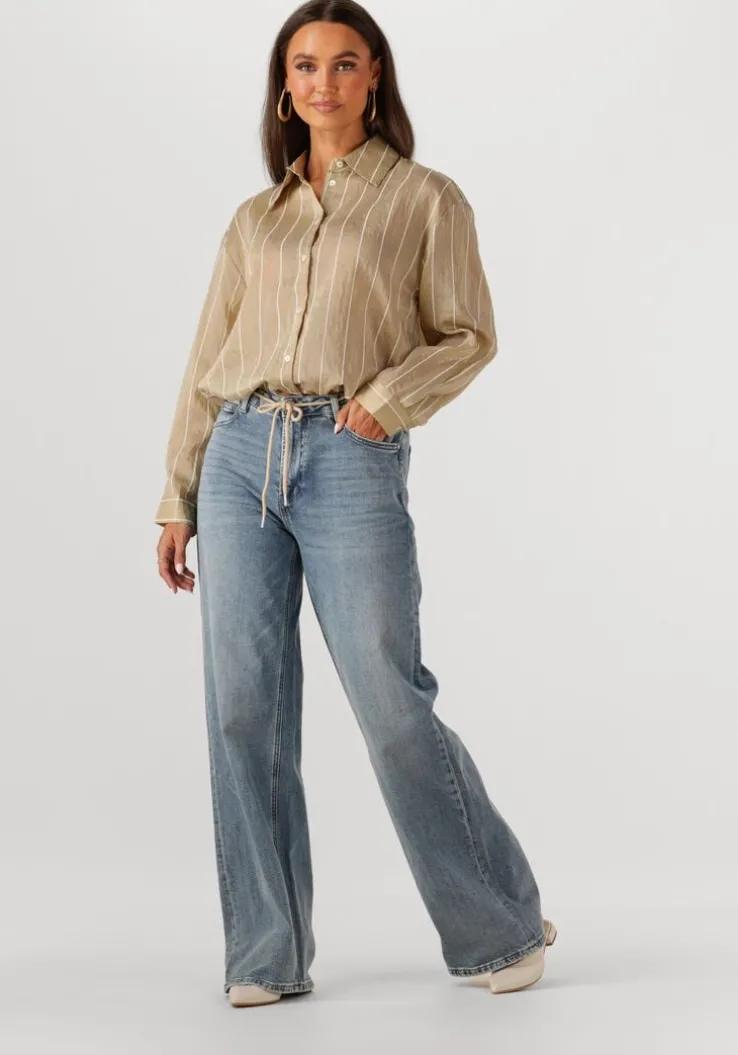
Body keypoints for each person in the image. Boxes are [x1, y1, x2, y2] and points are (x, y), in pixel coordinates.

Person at [154, 0, 556, 1008]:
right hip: (238, 454)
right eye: (304, 66)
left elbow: (468, 332)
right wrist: (178, 494)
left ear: (374, 75)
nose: (322, 83)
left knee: (387, 697)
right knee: (242, 707)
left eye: (343, 64)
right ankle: (265, 952)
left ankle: (500, 921)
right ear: (283, 88)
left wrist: (385, 401)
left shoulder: (426, 200)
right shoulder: (255, 220)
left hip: (347, 454)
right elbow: (207, 360)